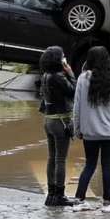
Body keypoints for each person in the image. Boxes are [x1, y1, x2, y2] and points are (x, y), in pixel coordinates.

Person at [72, 46, 110, 213]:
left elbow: (77, 106)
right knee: (107, 166)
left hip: (89, 132)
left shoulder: (83, 79)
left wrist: (77, 129)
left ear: (89, 60)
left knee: (89, 165)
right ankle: (107, 203)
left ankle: (78, 201)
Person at [39, 46, 77, 207]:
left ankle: (51, 194)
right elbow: (74, 91)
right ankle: (59, 195)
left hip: (49, 121)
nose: (65, 59)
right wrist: (71, 73)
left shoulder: (46, 76)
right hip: (61, 121)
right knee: (60, 159)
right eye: (63, 57)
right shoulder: (58, 77)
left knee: (52, 158)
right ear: (58, 60)